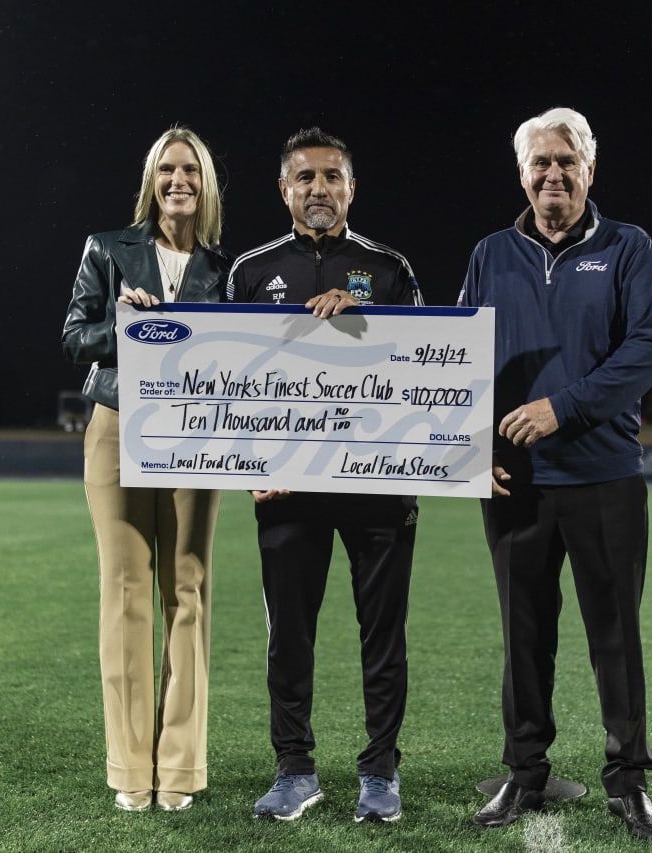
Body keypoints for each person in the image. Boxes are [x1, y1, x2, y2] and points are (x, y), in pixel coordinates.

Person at [458, 107, 652, 842]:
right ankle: (524, 774)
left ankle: (629, 781)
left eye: (566, 161)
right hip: (514, 482)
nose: (553, 174)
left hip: (605, 475)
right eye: (540, 163)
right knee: (524, 635)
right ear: (522, 174)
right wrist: (471, 443)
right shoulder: (490, 253)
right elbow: (458, 360)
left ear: (589, 168)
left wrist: (561, 407)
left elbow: (646, 349)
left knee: (615, 634)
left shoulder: (627, 247)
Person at [226, 127, 424, 823]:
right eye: (305, 177)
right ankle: (295, 768)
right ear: (284, 189)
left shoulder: (390, 267)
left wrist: (366, 317)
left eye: (331, 176)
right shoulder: (251, 270)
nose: (319, 188)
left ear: (351, 187)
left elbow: (429, 363)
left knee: (383, 635)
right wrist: (249, 464)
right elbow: (230, 385)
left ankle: (380, 771)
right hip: (288, 488)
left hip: (378, 484)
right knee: (290, 636)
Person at [61, 126, 230, 814]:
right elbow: (74, 336)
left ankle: (181, 767)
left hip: (194, 434)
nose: (178, 181)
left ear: (206, 182)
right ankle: (131, 767)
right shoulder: (108, 248)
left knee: (187, 589)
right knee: (126, 591)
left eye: (190, 169)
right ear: (151, 180)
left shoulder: (226, 269)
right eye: (167, 170)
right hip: (117, 427)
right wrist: (122, 326)